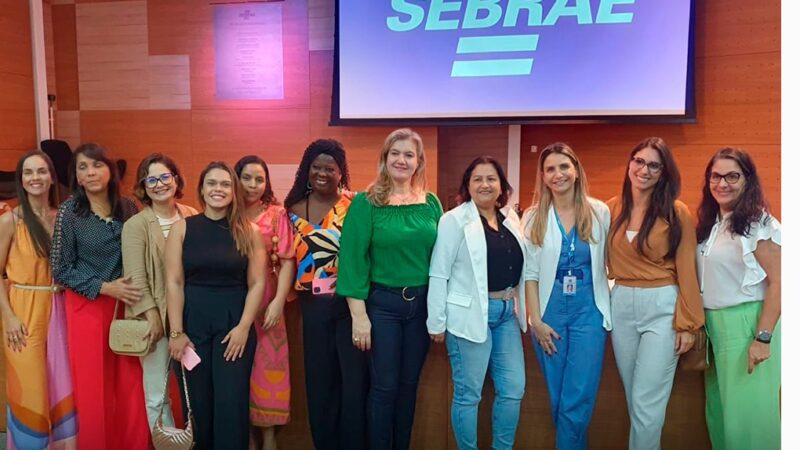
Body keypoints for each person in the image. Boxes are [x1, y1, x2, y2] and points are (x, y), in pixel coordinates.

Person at [337, 128, 443, 450]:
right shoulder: (367, 203)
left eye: (409, 154)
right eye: (395, 153)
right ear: (384, 159)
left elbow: (442, 259)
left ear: (418, 161)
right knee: (384, 387)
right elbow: (353, 260)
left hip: (421, 307)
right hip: (382, 306)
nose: (402, 160)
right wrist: (359, 315)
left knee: (409, 386)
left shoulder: (431, 203)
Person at [606, 137, 704, 450]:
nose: (644, 170)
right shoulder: (610, 208)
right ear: (629, 164)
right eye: (639, 161)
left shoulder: (676, 212)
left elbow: (688, 268)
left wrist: (688, 324)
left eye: (653, 165)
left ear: (663, 173)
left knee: (647, 402)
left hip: (662, 304)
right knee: (636, 397)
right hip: (620, 302)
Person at [50, 143, 150, 449]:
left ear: (110, 171)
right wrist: (105, 287)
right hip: (88, 307)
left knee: (131, 385)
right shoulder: (70, 211)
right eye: (83, 167)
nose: (90, 172)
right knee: (94, 387)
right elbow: (60, 268)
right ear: (76, 177)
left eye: (96, 165)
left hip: (127, 305)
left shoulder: (129, 207)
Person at [427, 156, 527, 450]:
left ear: (501, 186)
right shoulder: (453, 220)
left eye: (491, 178)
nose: (485, 184)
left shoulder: (511, 218)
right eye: (478, 179)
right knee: (468, 395)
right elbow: (438, 272)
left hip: (507, 314)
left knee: (513, 390)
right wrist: (436, 322)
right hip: (469, 315)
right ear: (467, 186)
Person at [166, 161, 266, 450]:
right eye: (211, 183)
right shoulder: (182, 229)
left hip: (234, 328)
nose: (218, 190)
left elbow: (257, 283)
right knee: (197, 404)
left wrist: (244, 327)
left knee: (230, 405)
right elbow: (174, 282)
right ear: (201, 189)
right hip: (191, 327)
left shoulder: (249, 231)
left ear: (234, 191)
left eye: (224, 184)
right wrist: (176, 332)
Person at [522, 143, 611, 449]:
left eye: (564, 167)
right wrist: (536, 321)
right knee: (558, 396)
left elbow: (611, 263)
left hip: (589, 313)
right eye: (550, 169)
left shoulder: (600, 211)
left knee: (579, 395)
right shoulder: (534, 217)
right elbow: (530, 276)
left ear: (576, 171)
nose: (558, 174)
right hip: (550, 315)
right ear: (543, 177)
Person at [284, 139, 368, 450]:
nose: (322, 173)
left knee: (354, 381)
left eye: (329, 168)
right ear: (306, 171)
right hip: (313, 307)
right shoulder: (291, 210)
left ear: (340, 172)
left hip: (351, 305)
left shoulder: (356, 204)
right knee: (320, 382)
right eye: (316, 167)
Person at [695, 148, 780, 450]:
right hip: (715, 328)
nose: (722, 183)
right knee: (721, 416)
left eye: (732, 176)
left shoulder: (758, 223)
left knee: (748, 421)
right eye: (716, 176)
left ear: (747, 180)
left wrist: (763, 337)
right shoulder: (712, 223)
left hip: (747, 323)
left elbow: (781, 282)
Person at [0, 150, 77, 449]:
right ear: (21, 180)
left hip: (61, 308)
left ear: (52, 177)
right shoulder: (11, 220)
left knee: (62, 385)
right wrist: (8, 317)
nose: (36, 178)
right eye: (29, 173)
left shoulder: (64, 218)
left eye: (42, 171)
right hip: (23, 309)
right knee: (30, 390)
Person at [122, 153, 198, 432]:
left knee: (196, 390)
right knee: (156, 394)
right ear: (143, 186)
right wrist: (153, 316)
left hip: (193, 315)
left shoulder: (193, 216)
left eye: (165, 177)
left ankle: (196, 440)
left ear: (175, 179)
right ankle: (167, 443)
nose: (159, 184)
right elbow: (135, 276)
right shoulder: (136, 225)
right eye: (151, 179)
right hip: (153, 321)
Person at [234, 155, 294, 450]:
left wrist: (279, 302)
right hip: (231, 302)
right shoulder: (226, 213)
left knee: (268, 373)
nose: (254, 185)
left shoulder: (276, 214)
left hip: (268, 305)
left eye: (260, 179)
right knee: (235, 370)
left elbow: (286, 261)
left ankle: (268, 441)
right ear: (236, 179)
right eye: (247, 178)